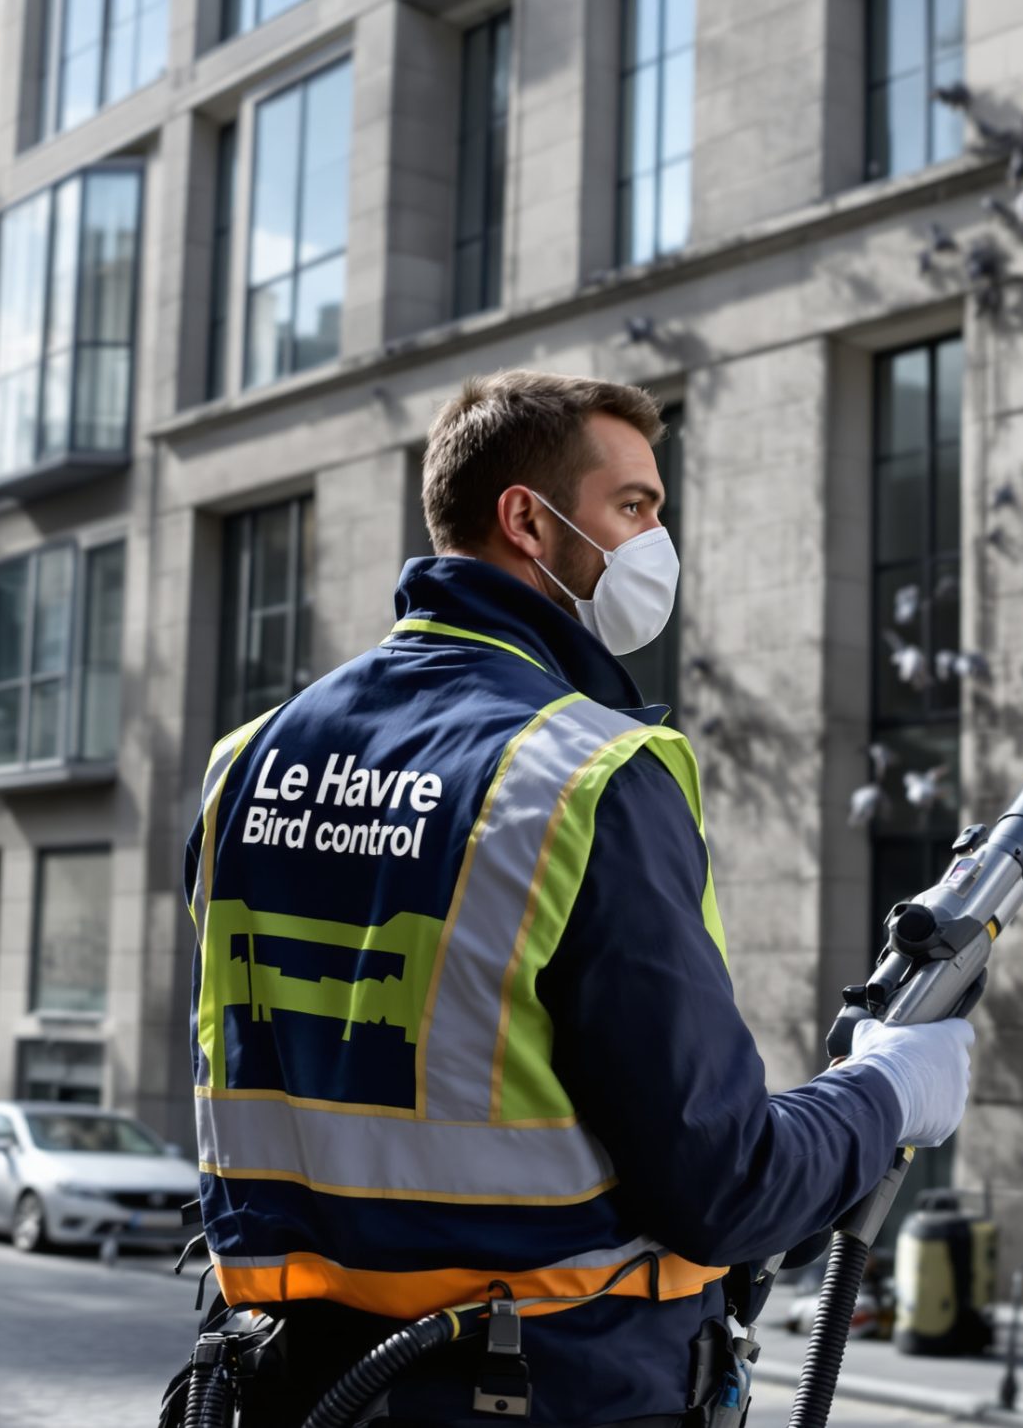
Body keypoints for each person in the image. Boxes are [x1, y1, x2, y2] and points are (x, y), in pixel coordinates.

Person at [184, 371, 973, 1428]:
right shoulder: (586, 773)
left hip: (293, 1387)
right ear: (526, 519)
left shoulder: (248, 762)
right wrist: (886, 1092)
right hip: (551, 1389)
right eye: (634, 507)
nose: (658, 543)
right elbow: (725, 1188)